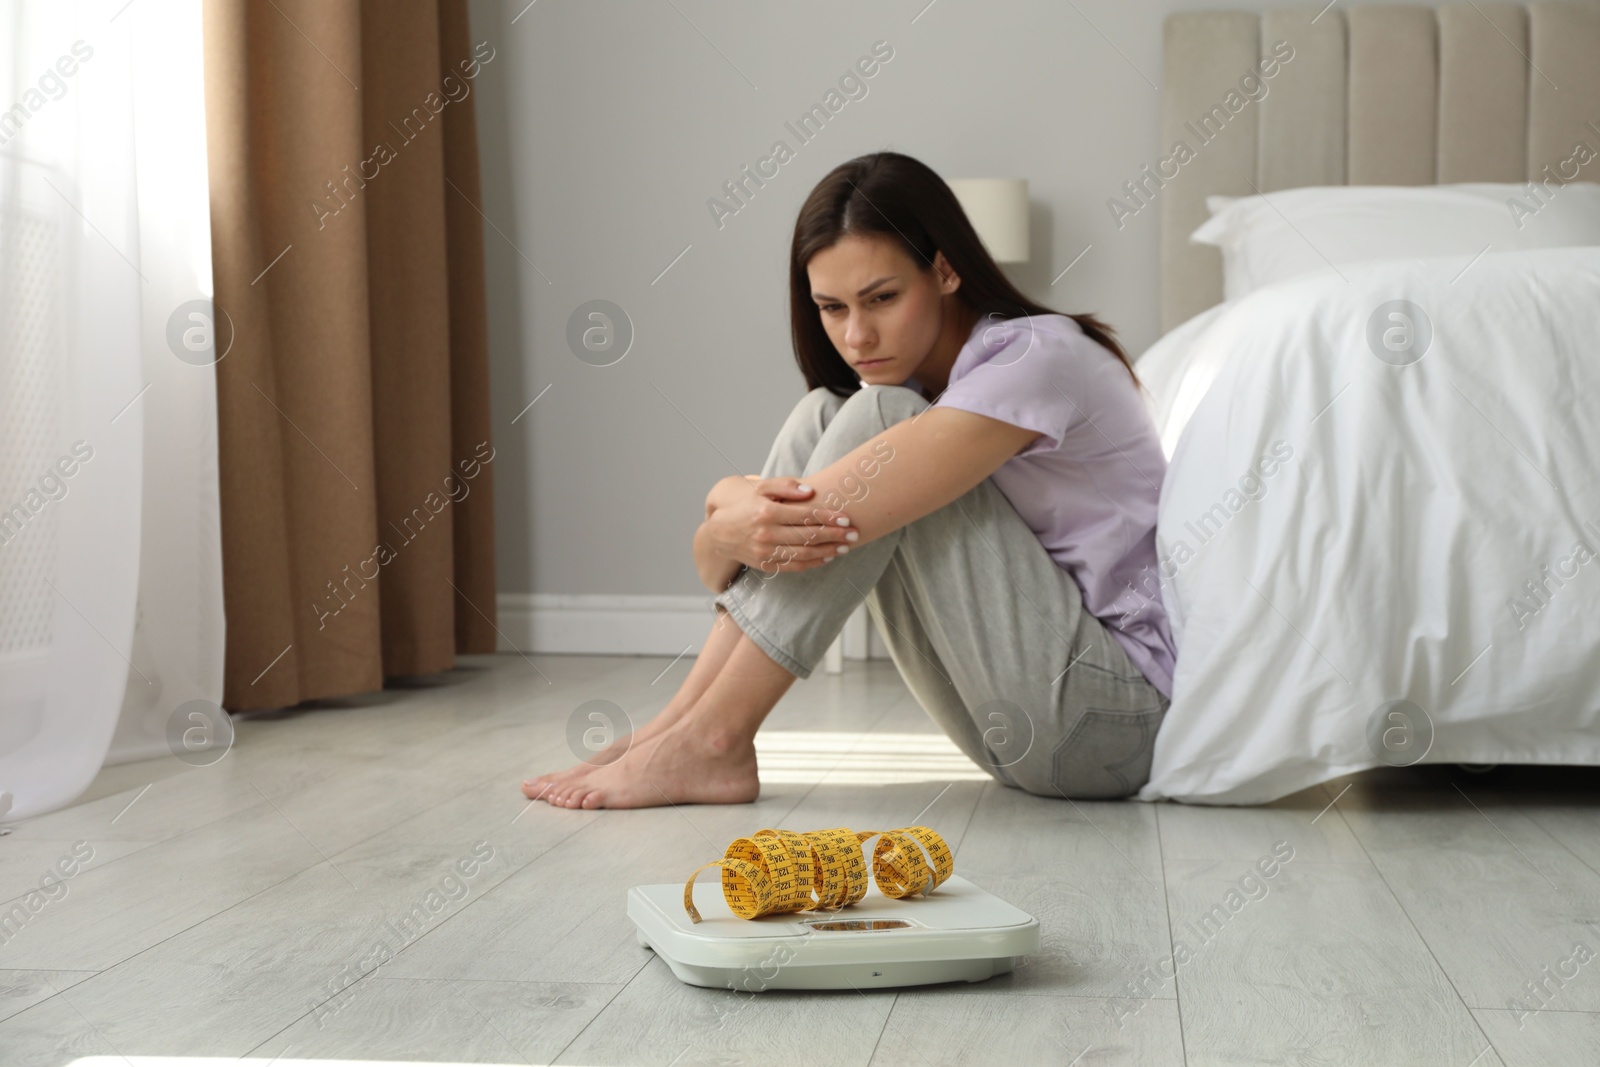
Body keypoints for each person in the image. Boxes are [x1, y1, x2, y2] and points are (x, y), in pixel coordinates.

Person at [522, 151, 1176, 810]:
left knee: (878, 413)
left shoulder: (1040, 356)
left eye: (883, 298)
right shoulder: (926, 389)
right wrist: (729, 519)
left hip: (1110, 721)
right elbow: (719, 562)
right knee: (826, 411)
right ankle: (682, 727)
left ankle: (714, 737)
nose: (857, 335)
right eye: (831, 308)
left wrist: (724, 499)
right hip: (1020, 721)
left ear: (946, 268)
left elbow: (776, 534)